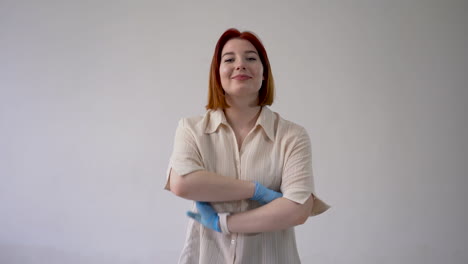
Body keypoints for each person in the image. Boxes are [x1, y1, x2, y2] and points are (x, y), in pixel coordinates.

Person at [164, 28, 330, 264]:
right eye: (229, 59)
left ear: (264, 74)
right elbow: (182, 183)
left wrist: (223, 223)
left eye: (251, 58)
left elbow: (298, 210)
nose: (240, 64)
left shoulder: (292, 135)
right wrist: (255, 190)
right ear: (217, 73)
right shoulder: (191, 129)